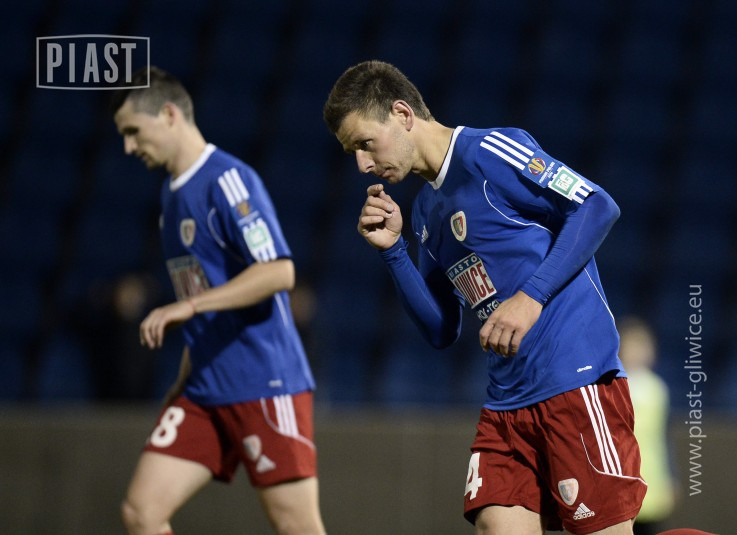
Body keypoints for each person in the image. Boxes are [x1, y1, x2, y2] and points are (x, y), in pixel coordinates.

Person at [323, 60, 646, 535]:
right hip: (506, 405)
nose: (362, 164)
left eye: (365, 143)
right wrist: (394, 252)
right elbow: (442, 329)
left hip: (574, 383)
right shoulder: (426, 210)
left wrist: (531, 297)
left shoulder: (489, 153)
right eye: (353, 152)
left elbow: (598, 205)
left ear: (402, 114)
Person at [112, 66, 326, 535]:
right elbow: (199, 291)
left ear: (169, 115)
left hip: (265, 382)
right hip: (205, 387)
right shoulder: (170, 199)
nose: (128, 147)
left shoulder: (228, 180)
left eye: (133, 132)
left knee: (296, 526)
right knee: (141, 512)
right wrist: (183, 377)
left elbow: (279, 271)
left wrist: (189, 307)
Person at [617, 316, 676, 535]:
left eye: (643, 345)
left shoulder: (658, 389)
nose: (638, 352)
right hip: (621, 482)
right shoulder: (614, 386)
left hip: (653, 484)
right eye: (632, 345)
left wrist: (671, 476)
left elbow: (665, 436)